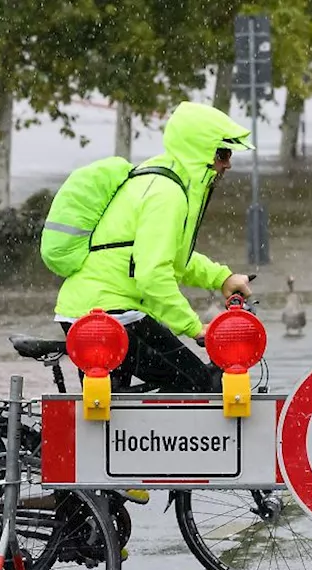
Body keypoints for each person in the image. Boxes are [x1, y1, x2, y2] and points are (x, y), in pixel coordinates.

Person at [53, 101, 256, 396]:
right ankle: (154, 442)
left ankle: (128, 440)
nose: (228, 163)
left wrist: (221, 278)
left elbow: (168, 255)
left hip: (94, 310)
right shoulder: (167, 193)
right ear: (199, 151)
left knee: (111, 412)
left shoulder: (159, 177)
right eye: (222, 153)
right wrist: (195, 328)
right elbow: (151, 274)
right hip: (110, 314)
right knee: (195, 384)